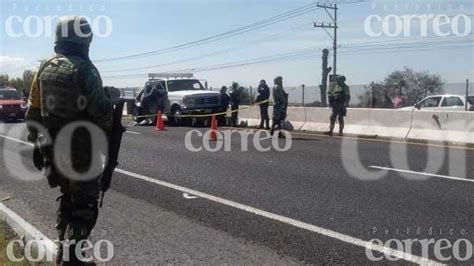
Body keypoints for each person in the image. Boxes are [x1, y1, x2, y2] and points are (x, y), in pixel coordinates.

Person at [25, 16, 113, 265]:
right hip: (81, 154)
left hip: (52, 151)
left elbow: (32, 113)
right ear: (85, 39)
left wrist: (37, 142)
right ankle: (73, 259)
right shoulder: (85, 69)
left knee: (67, 199)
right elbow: (103, 115)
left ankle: (63, 254)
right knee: (83, 209)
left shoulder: (44, 69)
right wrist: (110, 101)